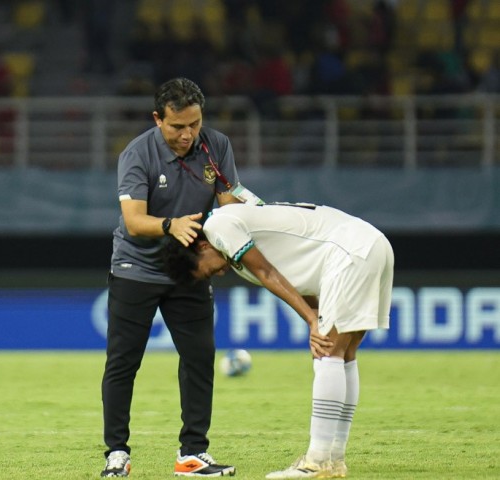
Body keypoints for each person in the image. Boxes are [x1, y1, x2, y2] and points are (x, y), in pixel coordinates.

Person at [162, 202, 394, 479]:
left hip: (349, 251)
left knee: (327, 353)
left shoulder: (217, 226)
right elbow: (289, 278)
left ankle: (317, 462)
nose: (218, 273)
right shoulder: (235, 242)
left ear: (201, 247)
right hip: (369, 244)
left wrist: (311, 320)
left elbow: (268, 273)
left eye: (209, 271)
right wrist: (315, 313)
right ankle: (334, 460)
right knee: (343, 354)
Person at [101, 77, 245, 477]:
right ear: (157, 119)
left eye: (194, 124)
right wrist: (170, 225)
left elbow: (229, 202)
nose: (187, 135)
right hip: (137, 268)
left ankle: (193, 453)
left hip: (188, 270)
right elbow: (133, 221)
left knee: (199, 357)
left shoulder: (216, 146)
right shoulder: (136, 154)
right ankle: (117, 452)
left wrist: (225, 230)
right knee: (123, 361)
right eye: (177, 126)